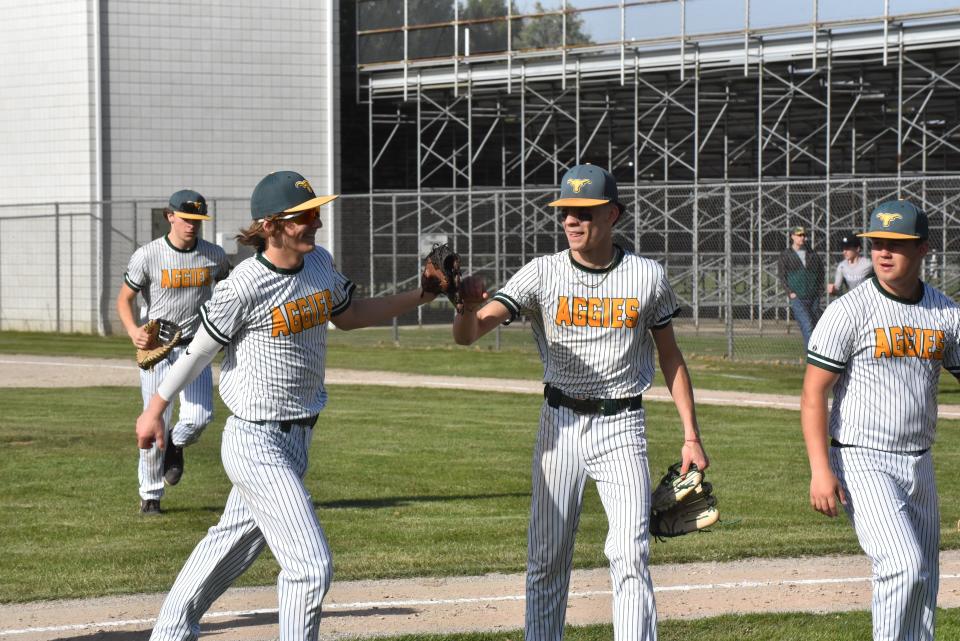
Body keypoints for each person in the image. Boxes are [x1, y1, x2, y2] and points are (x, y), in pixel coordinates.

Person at [135, 170, 439, 641]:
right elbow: (198, 352)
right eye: (303, 216)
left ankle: (169, 633)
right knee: (310, 567)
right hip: (255, 437)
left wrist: (422, 295)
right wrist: (155, 408)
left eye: (316, 212)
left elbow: (352, 316)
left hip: (297, 439)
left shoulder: (320, 263)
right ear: (272, 225)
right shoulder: (244, 285)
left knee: (228, 546)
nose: (316, 222)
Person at [452, 164, 708, 641]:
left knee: (630, 553)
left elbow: (670, 357)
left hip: (622, 425)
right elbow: (470, 334)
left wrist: (691, 435)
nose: (571, 220)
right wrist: (465, 307)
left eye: (583, 212)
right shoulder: (543, 272)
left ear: (612, 214)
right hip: (560, 424)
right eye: (565, 211)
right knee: (547, 558)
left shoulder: (646, 277)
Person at [802, 199, 960, 641]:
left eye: (897, 243)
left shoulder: (945, 313)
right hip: (861, 459)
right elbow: (814, 393)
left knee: (923, 581)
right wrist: (819, 470)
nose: (884, 252)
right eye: (878, 243)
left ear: (924, 248)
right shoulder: (850, 310)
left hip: (919, 462)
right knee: (902, 566)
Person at [117, 190, 231, 515]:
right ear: (170, 217)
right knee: (154, 423)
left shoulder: (214, 255)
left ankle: (176, 445)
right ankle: (150, 495)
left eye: (197, 220)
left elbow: (227, 288)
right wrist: (133, 331)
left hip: (195, 348)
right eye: (186, 219)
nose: (192, 225)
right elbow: (124, 299)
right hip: (157, 351)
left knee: (198, 418)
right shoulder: (148, 255)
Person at [778, 225, 825, 346]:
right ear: (792, 236)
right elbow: (782, 276)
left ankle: (816, 353)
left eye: (804, 235)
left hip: (813, 296)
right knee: (807, 325)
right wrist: (790, 292)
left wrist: (819, 291)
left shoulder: (812, 254)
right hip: (798, 297)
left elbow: (821, 273)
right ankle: (813, 356)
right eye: (799, 235)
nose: (802, 238)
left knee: (816, 326)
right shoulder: (786, 255)